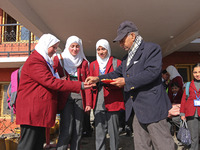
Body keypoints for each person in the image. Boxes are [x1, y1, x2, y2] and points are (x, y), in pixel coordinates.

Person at [86, 20, 175, 150]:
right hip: (136, 110)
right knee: (141, 145)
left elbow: (152, 72)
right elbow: (116, 73)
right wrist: (98, 78)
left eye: (122, 40)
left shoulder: (151, 49)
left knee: (163, 145)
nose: (121, 44)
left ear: (132, 36)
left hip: (152, 108)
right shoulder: (127, 58)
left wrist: (127, 81)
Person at [16, 34, 92, 150]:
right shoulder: (36, 61)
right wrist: (80, 85)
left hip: (38, 113)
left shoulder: (43, 61)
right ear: (46, 46)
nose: (55, 51)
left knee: (36, 144)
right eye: (54, 48)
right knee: (28, 144)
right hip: (32, 112)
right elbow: (51, 82)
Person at [53, 35, 92, 150]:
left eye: (77, 46)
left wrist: (89, 103)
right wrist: (59, 80)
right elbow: (51, 75)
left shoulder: (84, 63)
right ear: (67, 47)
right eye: (72, 46)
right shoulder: (59, 59)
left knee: (78, 129)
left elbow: (88, 82)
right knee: (67, 129)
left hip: (80, 97)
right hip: (65, 98)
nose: (75, 49)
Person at [89, 39, 125, 150]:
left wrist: (108, 81)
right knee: (99, 132)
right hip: (99, 102)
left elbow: (122, 81)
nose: (101, 52)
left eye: (103, 49)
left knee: (113, 131)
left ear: (108, 49)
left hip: (113, 101)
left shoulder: (117, 62)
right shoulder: (93, 65)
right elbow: (90, 83)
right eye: (98, 49)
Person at [180, 63, 200, 150]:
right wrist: (182, 113)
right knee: (194, 138)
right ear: (192, 73)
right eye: (195, 72)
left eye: (199, 72)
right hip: (192, 115)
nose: (197, 74)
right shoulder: (188, 85)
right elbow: (184, 100)